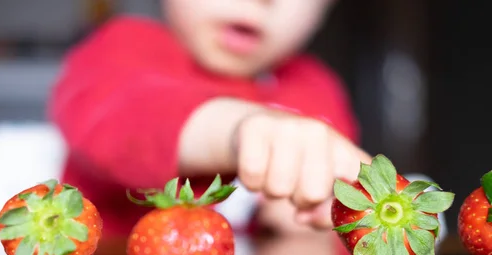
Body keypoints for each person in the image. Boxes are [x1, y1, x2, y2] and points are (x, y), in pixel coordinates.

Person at [48, 0, 372, 238]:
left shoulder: (318, 89)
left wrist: (311, 209)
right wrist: (241, 132)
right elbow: (121, 125)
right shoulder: (119, 48)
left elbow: (317, 220)